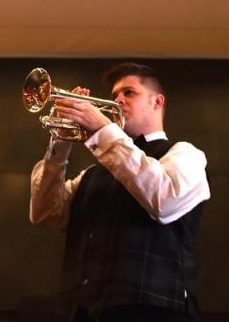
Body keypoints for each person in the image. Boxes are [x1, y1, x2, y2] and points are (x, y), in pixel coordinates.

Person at [30, 62, 211, 322]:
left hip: (154, 311)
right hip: (84, 311)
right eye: (116, 94)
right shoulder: (93, 174)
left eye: (129, 93)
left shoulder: (185, 154)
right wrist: (59, 143)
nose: (117, 100)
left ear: (157, 102)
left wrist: (104, 129)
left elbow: (164, 202)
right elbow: (45, 214)